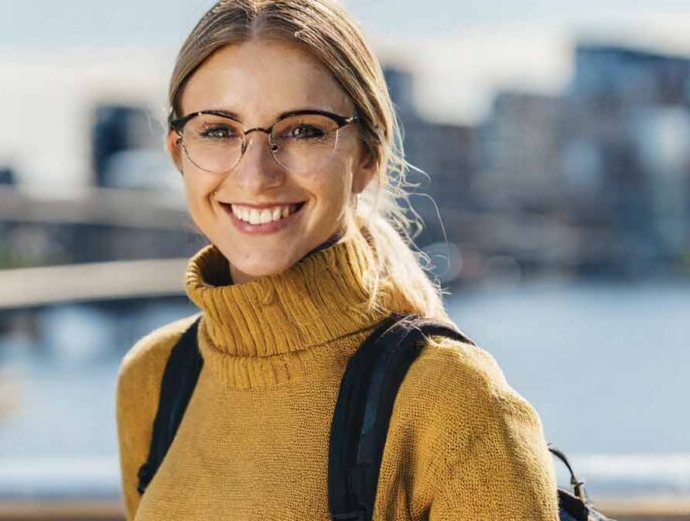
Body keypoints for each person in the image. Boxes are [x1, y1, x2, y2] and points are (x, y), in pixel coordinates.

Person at [115, 0, 558, 519]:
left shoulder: (454, 401)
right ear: (177, 151)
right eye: (218, 130)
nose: (256, 174)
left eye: (302, 130)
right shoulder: (155, 378)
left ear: (367, 156)